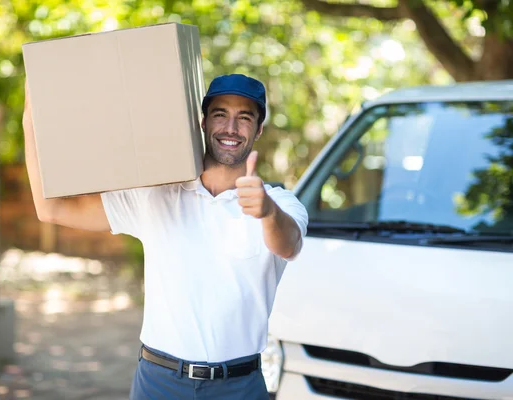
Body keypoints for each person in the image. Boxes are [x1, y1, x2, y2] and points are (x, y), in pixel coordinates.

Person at [22, 73, 308, 399]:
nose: (231, 127)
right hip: (159, 383)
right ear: (203, 123)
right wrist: (30, 114)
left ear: (258, 129)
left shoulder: (280, 204)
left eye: (244, 117)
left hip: (239, 387)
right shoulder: (155, 196)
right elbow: (52, 209)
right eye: (220, 114)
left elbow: (288, 244)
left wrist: (266, 211)